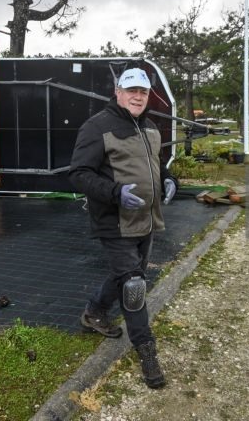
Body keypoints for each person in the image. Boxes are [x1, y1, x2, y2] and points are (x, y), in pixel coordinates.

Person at [69, 67, 177, 389]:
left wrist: (171, 180)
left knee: (127, 275)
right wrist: (115, 193)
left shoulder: (151, 128)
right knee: (133, 285)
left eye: (143, 92)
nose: (137, 96)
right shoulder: (97, 126)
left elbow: (155, 168)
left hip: (146, 221)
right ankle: (147, 352)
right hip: (114, 222)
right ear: (118, 91)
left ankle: (94, 311)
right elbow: (78, 174)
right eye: (131, 90)